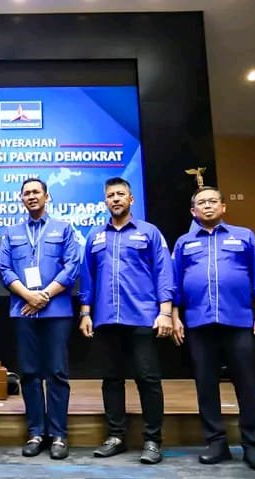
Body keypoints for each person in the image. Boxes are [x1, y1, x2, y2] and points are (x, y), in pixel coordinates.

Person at [171, 186, 255, 472]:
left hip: (238, 321)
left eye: (212, 201)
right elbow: (174, 281)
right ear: (193, 211)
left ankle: (253, 446)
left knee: (247, 385)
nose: (207, 206)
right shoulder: (184, 242)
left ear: (223, 206)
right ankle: (216, 443)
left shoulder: (244, 236)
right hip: (199, 323)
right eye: (201, 203)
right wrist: (175, 315)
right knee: (205, 385)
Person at [78, 177, 174, 465]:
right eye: (111, 195)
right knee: (111, 379)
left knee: (148, 379)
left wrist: (165, 312)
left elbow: (164, 272)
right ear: (105, 201)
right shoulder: (95, 236)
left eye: (121, 194)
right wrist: (85, 313)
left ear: (131, 199)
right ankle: (116, 436)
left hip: (143, 316)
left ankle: (153, 440)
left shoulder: (149, 232)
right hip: (106, 318)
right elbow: (87, 277)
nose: (116, 199)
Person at [0, 178, 80, 460]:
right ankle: (36, 432)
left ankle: (58, 435)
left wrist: (43, 296)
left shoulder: (64, 228)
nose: (31, 196)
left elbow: (72, 266)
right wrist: (28, 296)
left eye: (36, 192)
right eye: (27, 193)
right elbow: (5, 269)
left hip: (56, 310)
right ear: (21, 198)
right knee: (30, 373)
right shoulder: (11, 232)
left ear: (47, 196)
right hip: (23, 309)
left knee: (57, 372)